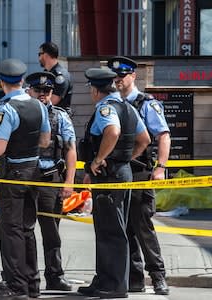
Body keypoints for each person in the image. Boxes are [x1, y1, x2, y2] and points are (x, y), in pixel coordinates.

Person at [77, 68, 150, 299]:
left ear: (96, 90)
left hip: (110, 175)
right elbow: (144, 139)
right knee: (107, 228)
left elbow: (113, 131)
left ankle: (116, 285)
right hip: (120, 172)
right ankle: (103, 279)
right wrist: (126, 159)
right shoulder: (128, 107)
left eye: (91, 88)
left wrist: (100, 159)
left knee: (112, 231)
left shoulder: (106, 108)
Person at [0, 58, 51, 300]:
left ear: (2, 83)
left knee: (10, 230)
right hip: (33, 171)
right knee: (27, 229)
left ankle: (15, 286)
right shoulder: (39, 106)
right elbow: (45, 141)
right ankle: (32, 283)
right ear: (22, 81)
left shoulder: (6, 109)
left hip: (12, 174)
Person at [108, 56, 171, 295]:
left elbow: (163, 135)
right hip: (119, 172)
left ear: (133, 76)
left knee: (143, 226)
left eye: (122, 76)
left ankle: (158, 277)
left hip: (140, 170)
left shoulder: (146, 103)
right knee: (125, 228)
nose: (118, 80)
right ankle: (134, 278)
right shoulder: (112, 103)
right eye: (115, 77)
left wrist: (160, 168)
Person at [25, 71, 76, 292]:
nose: (43, 95)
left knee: (51, 232)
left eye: (47, 91)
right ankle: (27, 277)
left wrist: (69, 182)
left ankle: (55, 275)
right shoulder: (20, 113)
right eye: (38, 90)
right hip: (24, 179)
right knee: (23, 231)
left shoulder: (61, 116)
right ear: (29, 91)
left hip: (50, 179)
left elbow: (71, 149)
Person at [38, 42, 73, 115]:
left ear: (46, 55)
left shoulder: (60, 76)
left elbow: (53, 100)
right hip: (48, 114)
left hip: (59, 119)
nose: (39, 58)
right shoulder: (46, 73)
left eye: (39, 54)